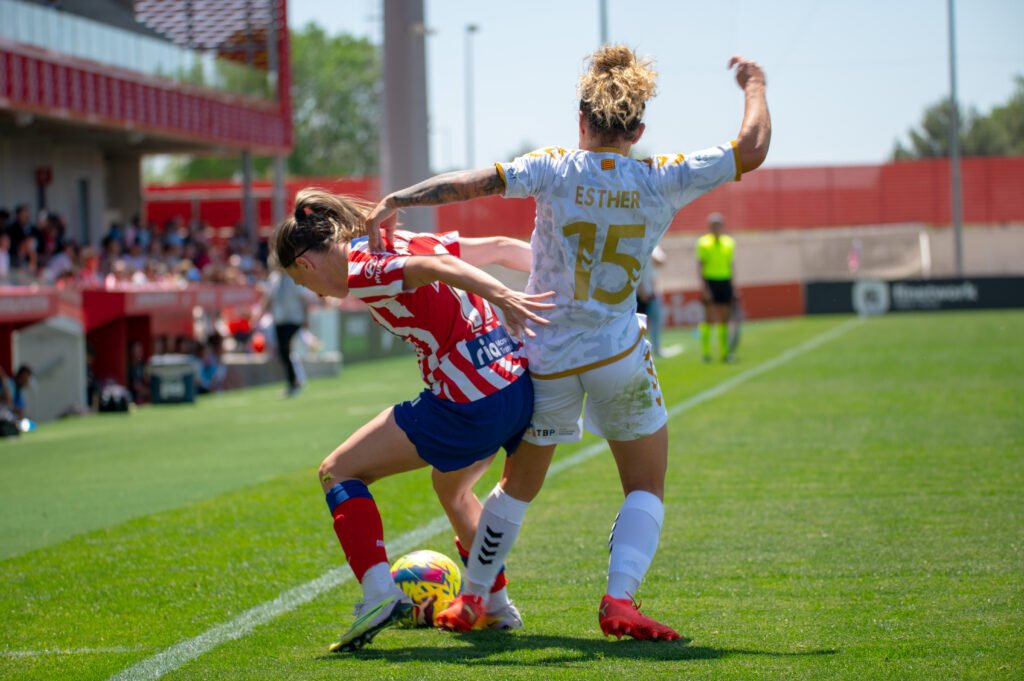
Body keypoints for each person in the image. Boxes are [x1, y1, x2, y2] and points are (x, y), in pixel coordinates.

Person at [365, 46, 770, 641]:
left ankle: (474, 597)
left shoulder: (553, 166)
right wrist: (754, 84)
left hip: (545, 357)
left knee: (516, 489)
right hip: (616, 356)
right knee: (644, 486)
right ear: (637, 131)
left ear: (581, 120)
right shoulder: (663, 175)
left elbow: (474, 183)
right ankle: (619, 600)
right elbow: (751, 148)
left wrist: (401, 198)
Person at [271, 188, 554, 652]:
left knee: (337, 471)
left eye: (304, 284)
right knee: (452, 488)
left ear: (305, 263)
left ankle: (378, 596)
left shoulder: (363, 268)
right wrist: (573, 284)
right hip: (515, 386)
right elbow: (502, 247)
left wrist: (502, 295)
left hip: (469, 404)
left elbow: (438, 267)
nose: (315, 294)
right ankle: (495, 604)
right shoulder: (398, 240)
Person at [256, 262, 315, 396]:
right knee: (284, 352)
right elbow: (268, 299)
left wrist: (306, 319)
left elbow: (303, 299)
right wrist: (259, 315)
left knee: (287, 349)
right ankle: (293, 381)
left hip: (293, 320)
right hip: (279, 321)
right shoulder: (274, 278)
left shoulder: (293, 277)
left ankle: (296, 380)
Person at [696, 212, 738, 362]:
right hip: (710, 281)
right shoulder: (703, 243)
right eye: (713, 225)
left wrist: (733, 286)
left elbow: (731, 265)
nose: (716, 228)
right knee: (708, 318)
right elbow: (701, 265)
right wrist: (704, 288)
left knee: (724, 318)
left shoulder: (729, 242)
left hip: (725, 281)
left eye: (718, 225)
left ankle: (725, 352)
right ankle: (706, 352)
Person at [636, 243, 666, 356]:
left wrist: (650, 249)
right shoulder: (635, 249)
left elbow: (661, 261)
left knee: (656, 321)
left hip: (652, 292)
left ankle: (657, 349)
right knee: (639, 325)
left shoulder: (652, 247)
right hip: (639, 294)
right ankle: (639, 351)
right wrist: (641, 290)